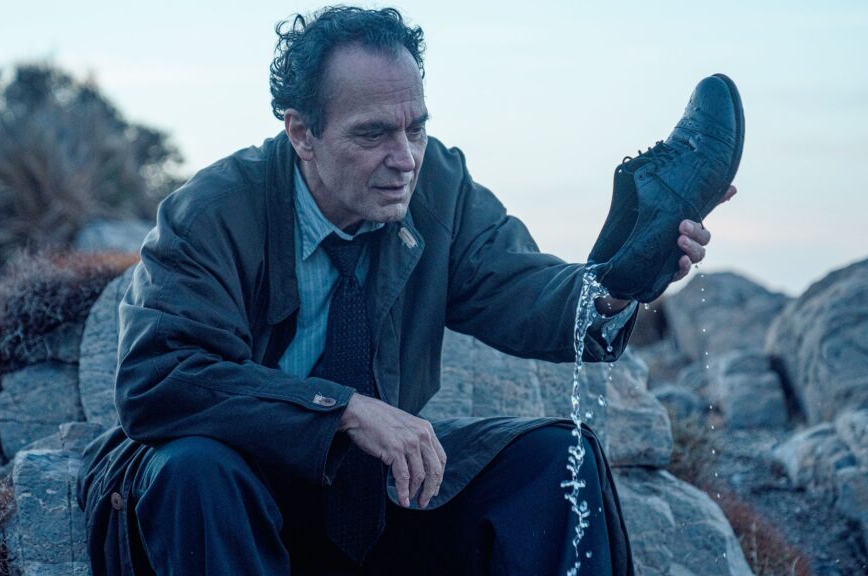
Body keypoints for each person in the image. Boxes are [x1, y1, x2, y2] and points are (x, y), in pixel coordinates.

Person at [78, 6, 735, 575]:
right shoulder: (214, 211)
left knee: (555, 460)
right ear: (302, 133)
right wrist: (340, 410)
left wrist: (618, 283)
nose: (405, 158)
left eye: (415, 128)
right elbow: (159, 379)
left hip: (364, 494)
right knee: (197, 470)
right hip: (228, 499)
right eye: (373, 134)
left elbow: (516, 285)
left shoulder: (438, 185)